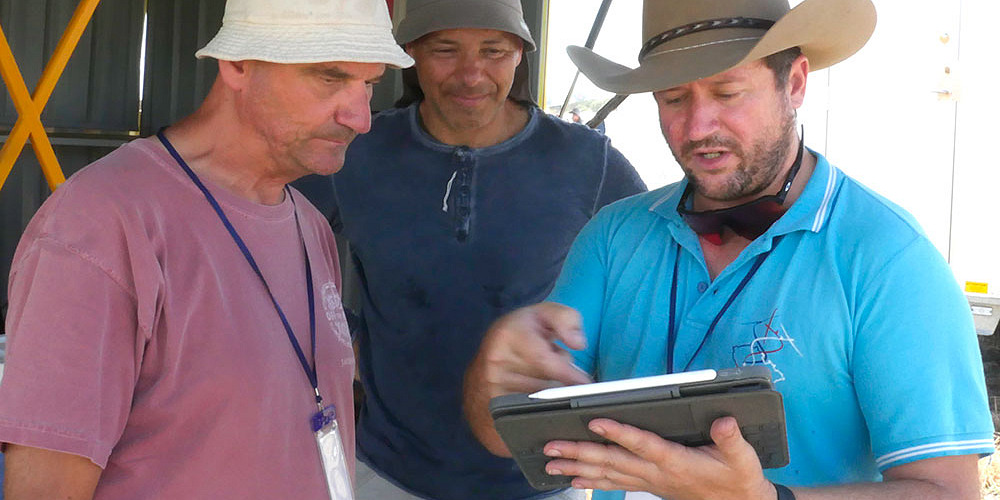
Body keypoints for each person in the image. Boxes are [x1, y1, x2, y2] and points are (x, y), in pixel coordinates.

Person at [463, 0, 995, 499]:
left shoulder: (886, 257)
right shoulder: (614, 235)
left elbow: (947, 491)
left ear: (795, 83)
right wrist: (491, 374)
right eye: (674, 98)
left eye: (727, 92)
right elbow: (506, 435)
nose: (698, 127)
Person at [0, 0, 412, 498]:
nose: (360, 117)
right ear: (237, 65)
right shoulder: (102, 223)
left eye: (369, 84)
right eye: (330, 78)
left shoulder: (309, 224)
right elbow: (45, 487)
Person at [293, 0, 646, 498]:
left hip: (545, 474)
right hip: (385, 471)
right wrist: (339, 337)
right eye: (445, 50)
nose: (471, 74)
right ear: (411, 53)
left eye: (493, 51)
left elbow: (658, 273)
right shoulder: (359, 151)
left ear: (520, 52)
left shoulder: (587, 161)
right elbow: (269, 245)